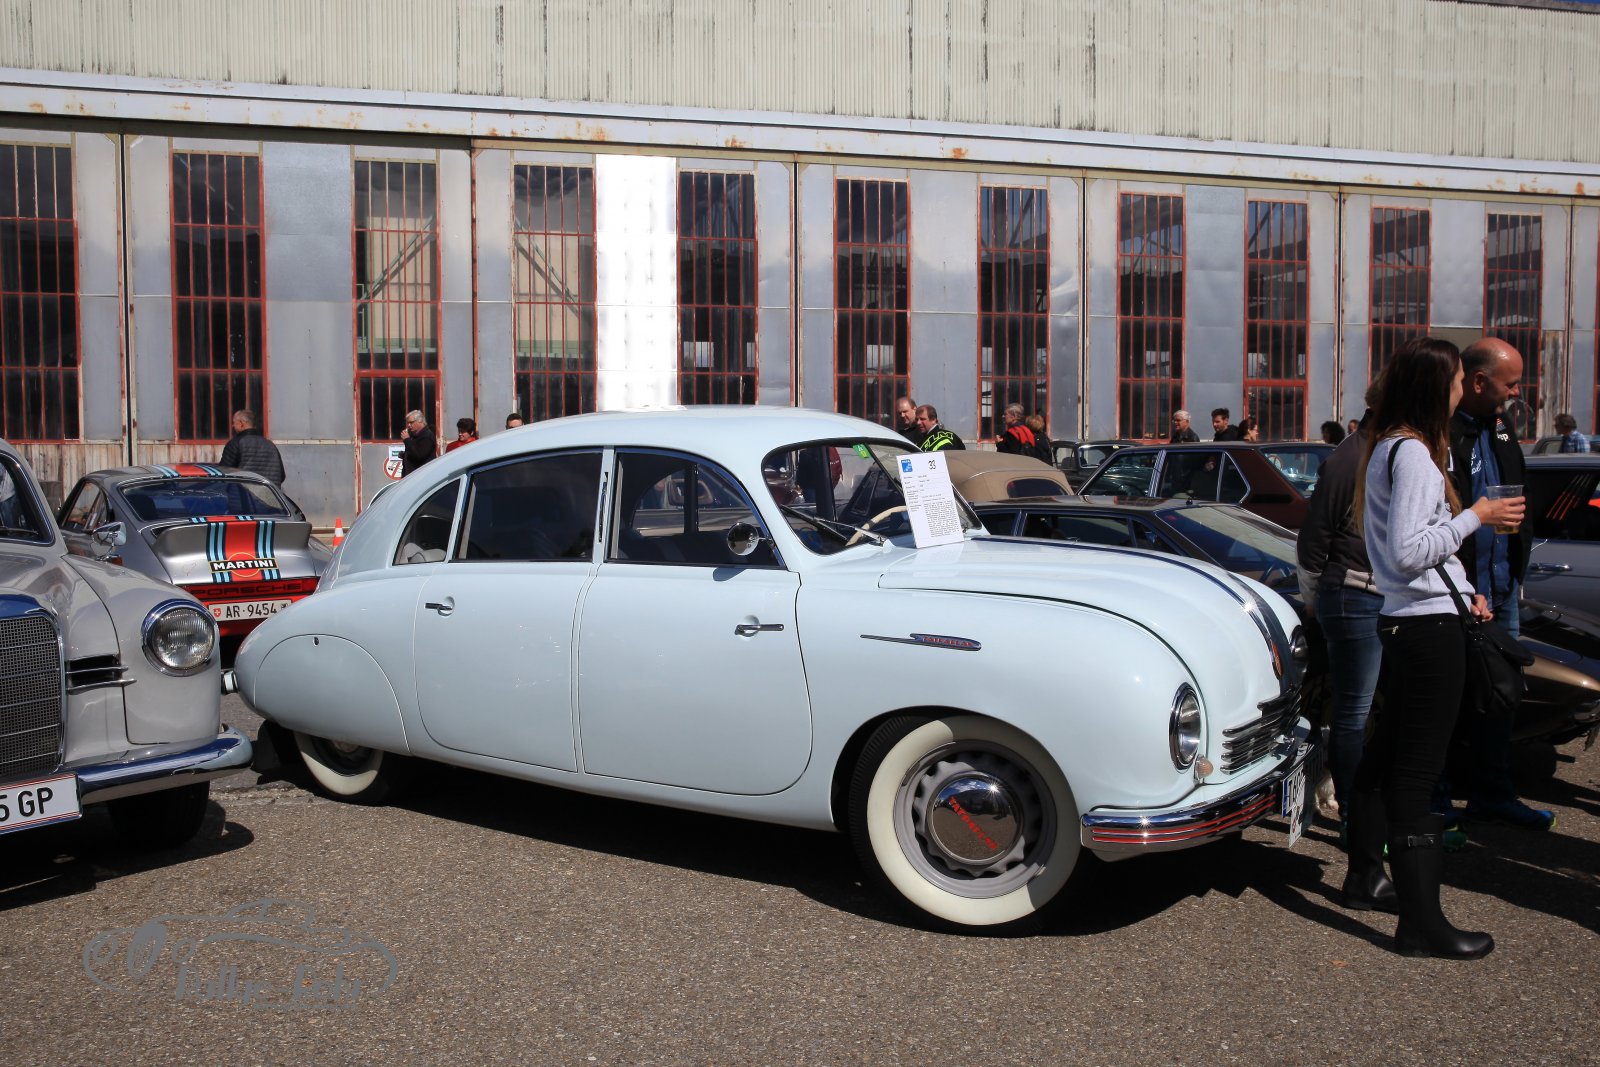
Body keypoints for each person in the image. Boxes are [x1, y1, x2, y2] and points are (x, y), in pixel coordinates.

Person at [1345, 335, 1522, 960]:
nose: (1460, 391)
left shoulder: (1389, 446)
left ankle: (1366, 876)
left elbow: (1407, 552)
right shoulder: (1414, 454)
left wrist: (1464, 589)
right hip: (1426, 629)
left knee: (1386, 758)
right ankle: (1420, 924)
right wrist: (1477, 516)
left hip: (1412, 620)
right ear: (1435, 388)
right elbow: (1407, 553)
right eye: (1454, 382)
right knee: (1416, 774)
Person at [1448, 338, 1553, 830]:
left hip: (1502, 587)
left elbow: (1520, 499)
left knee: (1502, 695)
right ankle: (1437, 798)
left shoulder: (1502, 429)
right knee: (1451, 697)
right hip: (1459, 592)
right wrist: (1465, 584)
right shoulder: (1443, 433)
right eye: (1510, 384)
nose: (1516, 393)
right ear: (1478, 381)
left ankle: (1493, 791)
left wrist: (1515, 565)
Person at [1297, 387, 1381, 834]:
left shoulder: (1381, 452)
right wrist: (1312, 599)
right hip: (1354, 593)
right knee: (1353, 714)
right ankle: (1353, 814)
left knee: (1362, 712)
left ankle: (1358, 808)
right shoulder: (1351, 458)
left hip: (1370, 594)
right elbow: (1314, 540)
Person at [218, 409, 285, 485]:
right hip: (269, 492)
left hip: (244, 492)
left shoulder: (235, 443)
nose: (232, 426)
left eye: (234, 422)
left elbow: (223, 473)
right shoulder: (270, 445)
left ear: (241, 423)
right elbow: (281, 476)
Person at [400, 410, 438, 476]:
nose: (409, 425)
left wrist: (407, 440)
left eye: (411, 422)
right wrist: (405, 455)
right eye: (408, 423)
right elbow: (413, 451)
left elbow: (419, 455)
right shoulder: (413, 435)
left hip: (422, 476)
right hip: (410, 475)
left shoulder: (427, 436)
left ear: (420, 421)